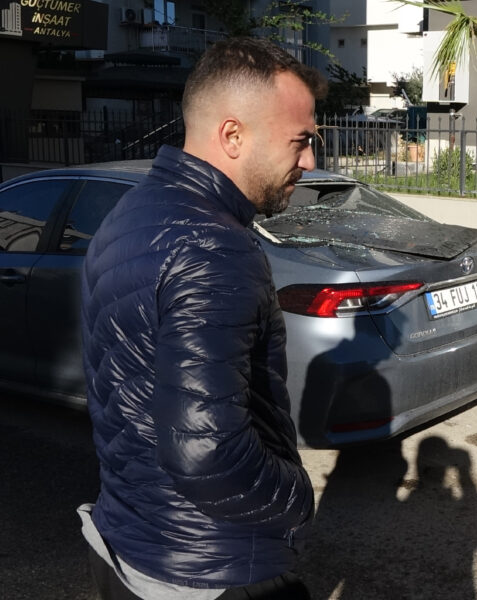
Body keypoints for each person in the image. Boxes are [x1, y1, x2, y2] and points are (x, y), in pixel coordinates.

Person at [79, 37, 326, 599]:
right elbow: (205, 450)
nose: (310, 161)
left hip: (129, 542)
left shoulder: (130, 213)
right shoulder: (213, 247)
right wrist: (295, 499)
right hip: (213, 570)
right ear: (233, 135)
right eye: (300, 140)